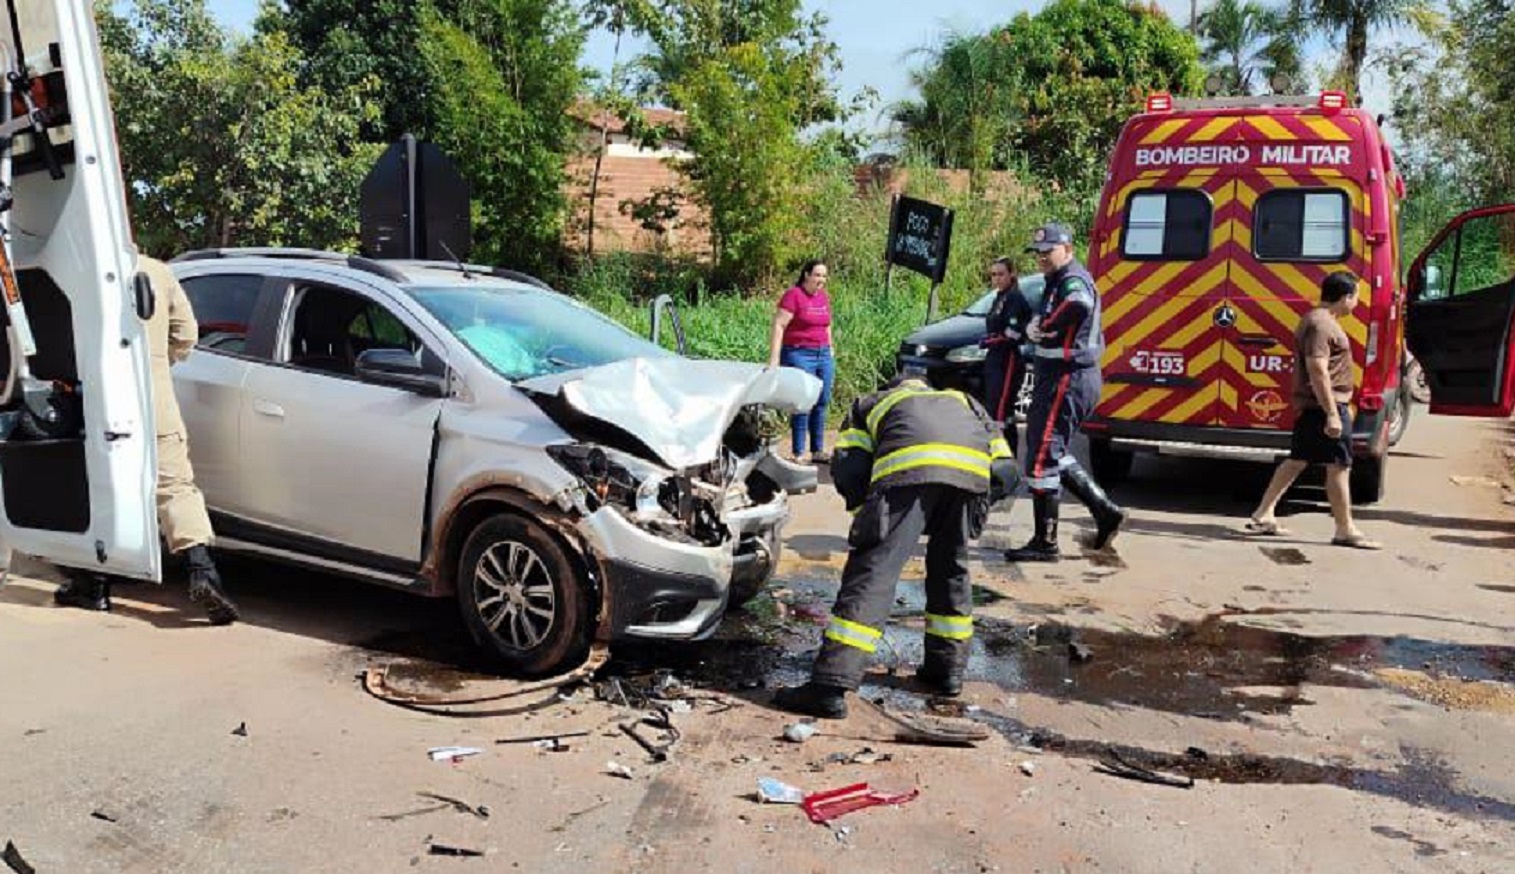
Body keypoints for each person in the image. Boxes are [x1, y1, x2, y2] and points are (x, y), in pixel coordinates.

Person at [771, 374, 1019, 719]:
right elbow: (1007, 472)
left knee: (874, 572)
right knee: (951, 570)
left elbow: (851, 468)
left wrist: (867, 518)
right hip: (970, 481)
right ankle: (946, 671)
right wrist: (971, 503)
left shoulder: (870, 404)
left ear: (893, 386)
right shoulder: (965, 402)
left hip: (908, 477)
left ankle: (830, 685)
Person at [53, 255, 241, 623]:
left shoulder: (78, 270)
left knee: (95, 485)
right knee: (174, 485)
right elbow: (186, 335)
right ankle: (202, 570)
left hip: (96, 398)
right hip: (153, 397)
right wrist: (157, 362)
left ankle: (92, 584)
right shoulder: (157, 270)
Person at [1004, 222, 1126, 563]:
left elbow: (1079, 302)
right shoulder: (1055, 279)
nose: (1042, 258)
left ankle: (1045, 542)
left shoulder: (1071, 278)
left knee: (1041, 458)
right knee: (1053, 452)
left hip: (1067, 379)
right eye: (1038, 253)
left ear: (1068, 250)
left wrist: (1044, 326)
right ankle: (1104, 510)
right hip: (1062, 378)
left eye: (1048, 251)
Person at [1245, 271, 1381, 549]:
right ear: (1345, 297)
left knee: (1297, 460)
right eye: (1355, 296)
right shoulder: (1321, 325)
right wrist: (1332, 412)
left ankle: (1264, 513)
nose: (1356, 302)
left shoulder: (1319, 320)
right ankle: (1345, 528)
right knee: (1340, 466)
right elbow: (1318, 369)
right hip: (1324, 406)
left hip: (1317, 406)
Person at [767, 260, 834, 463]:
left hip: (822, 354)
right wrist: (774, 359)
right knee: (804, 402)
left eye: (823, 276)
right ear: (806, 275)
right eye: (817, 275)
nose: (821, 280)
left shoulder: (823, 297)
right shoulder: (793, 296)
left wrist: (830, 347)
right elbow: (779, 325)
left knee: (822, 401)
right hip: (799, 354)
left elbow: (827, 324)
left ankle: (817, 450)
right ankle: (798, 452)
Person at [981, 256, 1034, 456]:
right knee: (993, 407)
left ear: (1012, 274)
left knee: (1001, 410)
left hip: (1008, 359)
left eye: (1001, 274)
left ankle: (1004, 455)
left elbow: (1014, 332)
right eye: (993, 275)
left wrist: (993, 339)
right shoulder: (999, 297)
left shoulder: (1014, 298)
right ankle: (1001, 452)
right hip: (995, 358)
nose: (997, 279)